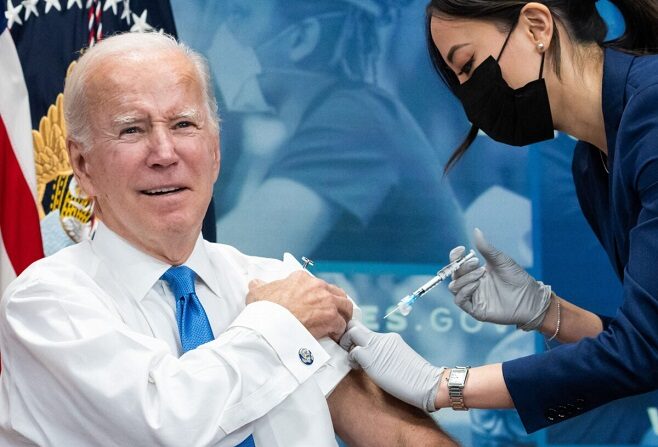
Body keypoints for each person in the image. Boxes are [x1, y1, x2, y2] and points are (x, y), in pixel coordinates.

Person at [0, 32, 457, 446]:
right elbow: (167, 426)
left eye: (183, 125)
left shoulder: (279, 281)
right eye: (132, 130)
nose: (164, 153)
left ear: (215, 153)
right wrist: (277, 321)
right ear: (82, 166)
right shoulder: (46, 303)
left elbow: (398, 436)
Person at [340, 0, 658, 435]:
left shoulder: (651, 113)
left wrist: (443, 385)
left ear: (535, 26)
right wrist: (547, 312)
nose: (472, 100)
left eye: (468, 65)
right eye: (459, 82)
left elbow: (642, 350)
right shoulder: (593, 165)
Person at [212, 0, 467, 263]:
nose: (219, 34)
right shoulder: (317, 123)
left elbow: (238, 261)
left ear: (301, 39)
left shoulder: (356, 124)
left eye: (239, 15)